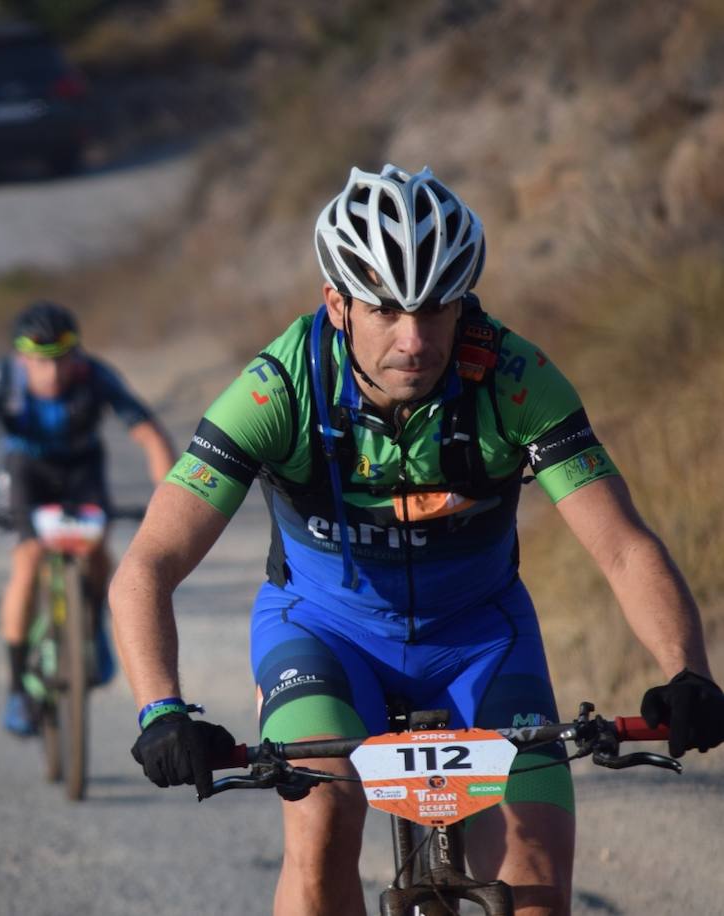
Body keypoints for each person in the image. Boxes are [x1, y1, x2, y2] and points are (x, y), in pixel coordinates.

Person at [108, 164, 724, 916]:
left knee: (534, 872)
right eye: (387, 310)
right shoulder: (280, 388)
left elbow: (623, 546)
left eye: (437, 310)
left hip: (479, 641)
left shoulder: (514, 380)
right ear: (337, 302)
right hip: (324, 634)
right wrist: (161, 710)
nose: (415, 339)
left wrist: (687, 670)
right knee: (324, 819)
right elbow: (149, 564)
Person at [0, 301, 175, 737]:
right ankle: (16, 688)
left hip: (81, 469)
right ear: (20, 357)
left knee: (98, 551)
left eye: (61, 360)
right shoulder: (0, 379)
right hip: (25, 470)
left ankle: (94, 628)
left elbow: (147, 431)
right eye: (39, 362)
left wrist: (168, 493)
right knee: (28, 561)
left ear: (76, 354)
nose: (51, 373)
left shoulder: (96, 375)